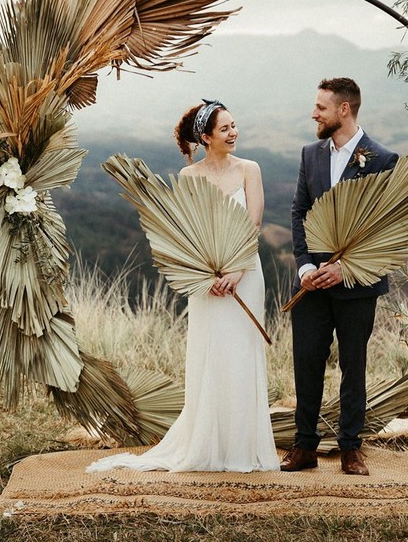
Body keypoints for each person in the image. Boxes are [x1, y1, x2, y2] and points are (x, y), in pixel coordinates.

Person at [87, 99, 279, 473]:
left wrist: (237, 272)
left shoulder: (249, 169)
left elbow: (254, 224)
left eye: (234, 126)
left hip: (245, 272)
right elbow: (185, 234)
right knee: (212, 357)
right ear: (206, 137)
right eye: (225, 129)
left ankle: (243, 446)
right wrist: (205, 276)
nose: (234, 133)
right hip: (206, 282)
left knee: (242, 355)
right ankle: (208, 444)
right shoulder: (189, 176)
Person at [280, 78, 398, 476]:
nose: (314, 113)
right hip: (312, 284)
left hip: (356, 285)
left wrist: (345, 268)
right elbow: (299, 212)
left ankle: (351, 448)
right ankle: (304, 447)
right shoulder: (310, 154)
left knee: (354, 365)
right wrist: (307, 267)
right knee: (307, 363)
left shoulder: (382, 159)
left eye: (321, 107)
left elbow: (387, 226)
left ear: (343, 110)